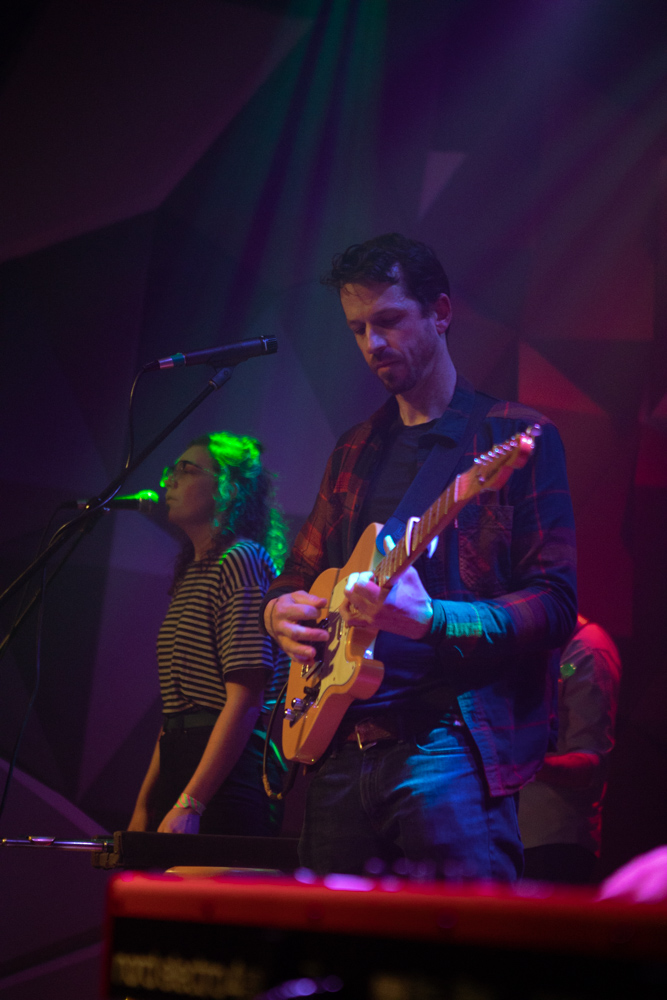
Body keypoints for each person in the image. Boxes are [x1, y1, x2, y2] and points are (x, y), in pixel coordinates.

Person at [261, 232, 577, 880]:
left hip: (449, 749)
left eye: (388, 321)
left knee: (459, 970)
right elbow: (300, 570)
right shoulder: (355, 447)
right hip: (337, 747)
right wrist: (278, 612)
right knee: (329, 967)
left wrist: (432, 620)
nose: (372, 344)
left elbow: (554, 604)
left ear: (440, 311)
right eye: (357, 329)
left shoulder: (510, 438)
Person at [128, 432, 288, 836]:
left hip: (226, 771)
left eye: (186, 469)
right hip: (184, 760)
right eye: (172, 470)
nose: (170, 481)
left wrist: (192, 801)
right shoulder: (192, 574)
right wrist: (145, 803)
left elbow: (246, 697)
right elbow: (175, 713)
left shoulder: (242, 559)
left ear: (229, 489)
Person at [519, 615, 621, 883]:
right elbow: (565, 672)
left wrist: (515, 759)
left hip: (552, 843)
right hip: (521, 839)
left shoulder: (585, 649)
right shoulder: (565, 657)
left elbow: (590, 764)